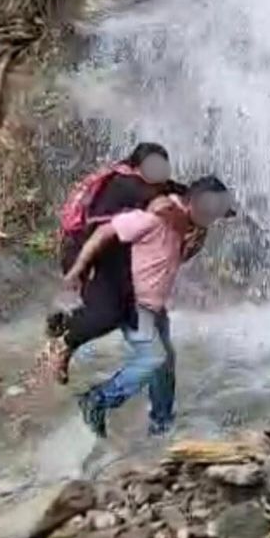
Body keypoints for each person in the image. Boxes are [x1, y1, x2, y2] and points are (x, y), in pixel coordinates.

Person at [68, 176, 233, 437]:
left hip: (152, 302)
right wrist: (79, 269)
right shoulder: (159, 214)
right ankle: (98, 400)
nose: (212, 221)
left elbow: (168, 259)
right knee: (154, 358)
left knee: (165, 362)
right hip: (131, 298)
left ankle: (161, 424)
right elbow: (107, 231)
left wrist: (191, 246)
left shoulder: (187, 224)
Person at [38, 143, 177, 384]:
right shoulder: (130, 187)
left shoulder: (123, 175)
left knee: (136, 309)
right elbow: (160, 202)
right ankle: (62, 344)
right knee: (109, 313)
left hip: (101, 250)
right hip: (88, 252)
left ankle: (61, 320)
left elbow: (172, 190)